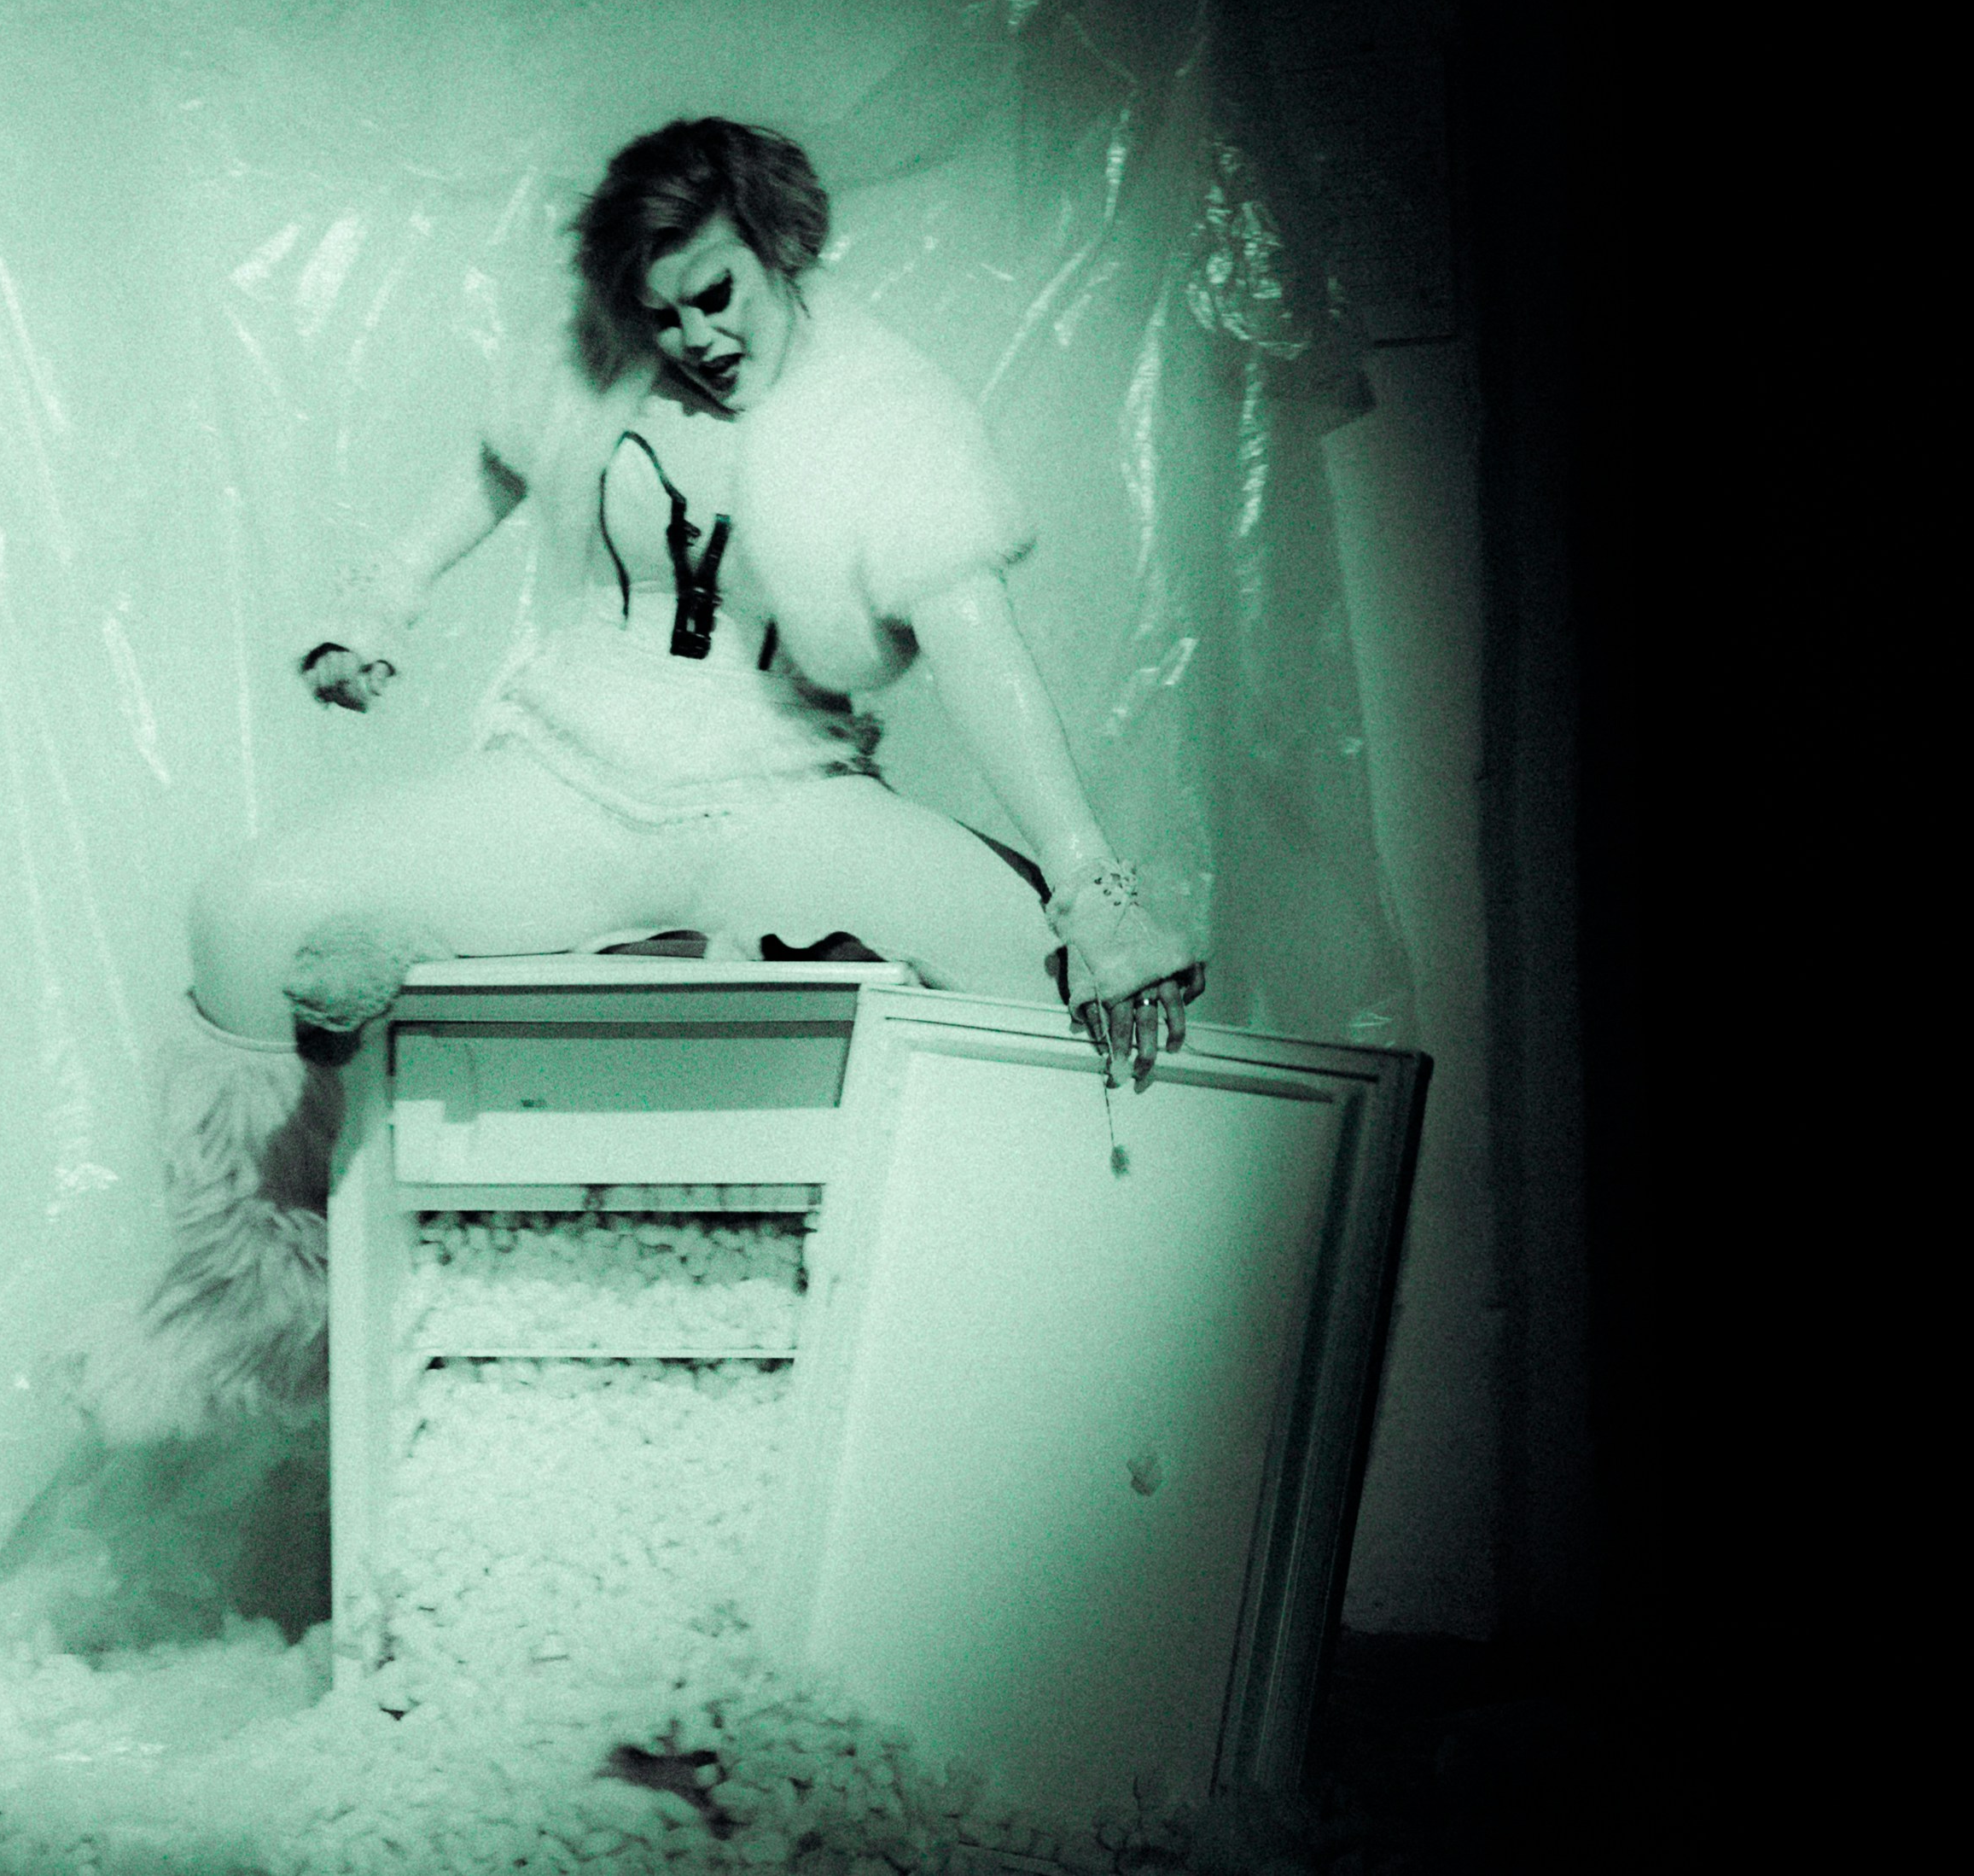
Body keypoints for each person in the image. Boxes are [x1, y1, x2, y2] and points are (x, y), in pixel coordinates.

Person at [64, 118, 1203, 1446]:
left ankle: (989, 1363)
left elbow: (979, 648)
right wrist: (382, 603)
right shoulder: (601, 362)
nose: (697, 338)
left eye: (717, 295)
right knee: (248, 909)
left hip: (782, 795)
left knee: (1034, 982)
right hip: (573, 773)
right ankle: (260, 1306)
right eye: (663, 314)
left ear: (780, 246)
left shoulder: (885, 414)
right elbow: (496, 462)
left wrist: (1092, 886)